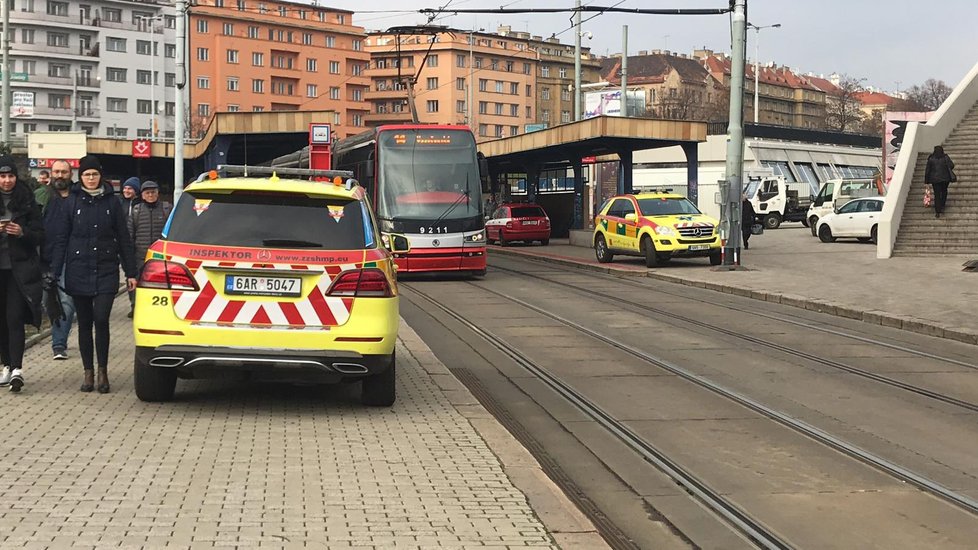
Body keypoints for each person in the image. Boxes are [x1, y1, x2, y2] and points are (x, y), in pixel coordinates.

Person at [49, 155, 137, 394]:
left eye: (94, 174)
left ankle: (103, 370)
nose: (90, 178)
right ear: (81, 177)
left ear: (100, 176)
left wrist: (131, 272)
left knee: (101, 319)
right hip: (79, 269)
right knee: (85, 323)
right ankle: (88, 372)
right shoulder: (72, 201)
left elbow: (124, 238)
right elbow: (61, 239)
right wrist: (55, 272)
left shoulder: (112, 202)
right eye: (86, 175)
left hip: (106, 269)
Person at [0, 156, 45, 393]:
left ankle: (17, 368)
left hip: (19, 270)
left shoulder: (27, 200)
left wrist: (21, 232)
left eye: (10, 176)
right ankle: (6, 364)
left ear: (16, 177)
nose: (7, 181)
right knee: (1, 321)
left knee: (14, 317)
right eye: (3, 176)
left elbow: (39, 235)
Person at [43, 160, 77, 360]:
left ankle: (58, 344)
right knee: (47, 301)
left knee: (65, 300)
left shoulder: (77, 197)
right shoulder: (42, 197)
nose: (60, 175)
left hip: (68, 257)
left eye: (64, 172)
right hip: (43, 257)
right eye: (56, 171)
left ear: (70, 174)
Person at [127, 180, 171, 318]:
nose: (151, 195)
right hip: (140, 256)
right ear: (142, 195)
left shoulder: (167, 209)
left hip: (160, 256)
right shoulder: (136, 211)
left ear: (158, 194)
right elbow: (129, 234)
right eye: (147, 193)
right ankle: (135, 307)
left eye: (153, 192)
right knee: (136, 284)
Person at [924, 145, 955, 219]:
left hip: (935, 180)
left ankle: (938, 211)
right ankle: (942, 204)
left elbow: (927, 170)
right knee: (944, 191)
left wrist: (926, 181)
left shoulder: (931, 158)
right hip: (945, 179)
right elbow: (952, 165)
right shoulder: (945, 157)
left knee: (937, 194)